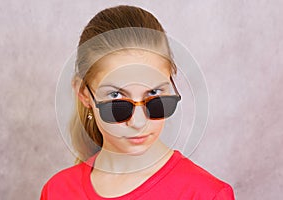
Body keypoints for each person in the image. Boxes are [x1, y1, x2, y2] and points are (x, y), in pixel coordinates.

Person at [40, 5, 235, 199]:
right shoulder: (57, 191)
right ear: (84, 94)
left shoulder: (206, 194)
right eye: (116, 98)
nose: (138, 122)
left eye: (154, 95)